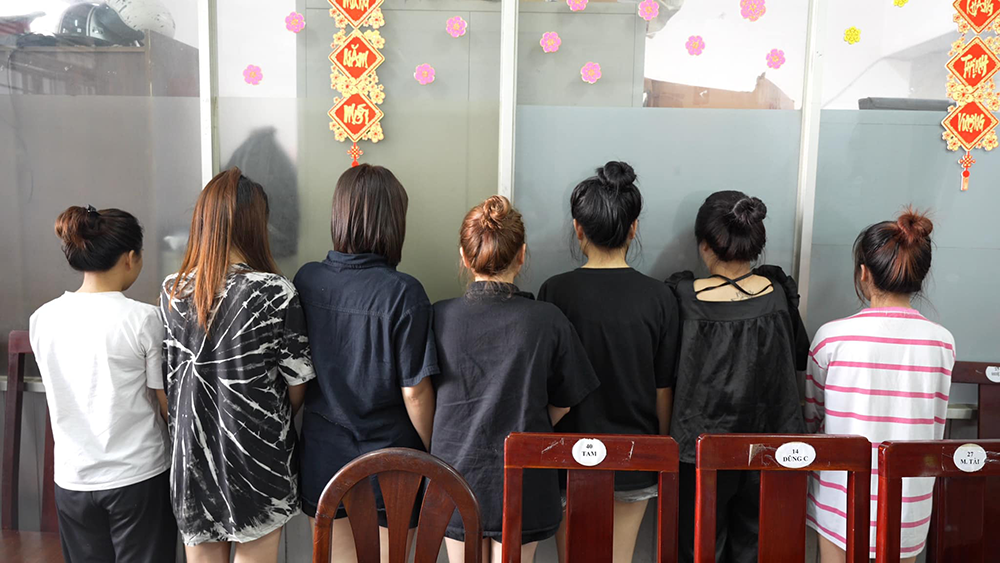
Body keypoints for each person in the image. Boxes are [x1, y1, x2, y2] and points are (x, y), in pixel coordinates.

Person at [431, 195, 600, 563]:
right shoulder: (547, 320)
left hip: (455, 474)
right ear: (522, 255)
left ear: (464, 257)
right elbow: (566, 400)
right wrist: (529, 423)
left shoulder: (439, 318)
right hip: (526, 476)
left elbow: (424, 395)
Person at [161, 168, 315, 562]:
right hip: (258, 456)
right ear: (255, 225)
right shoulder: (275, 292)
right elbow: (297, 387)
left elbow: (169, 377)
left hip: (191, 457)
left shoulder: (172, 291)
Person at [294, 164, 438, 563]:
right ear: (393, 222)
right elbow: (415, 392)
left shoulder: (307, 280)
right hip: (391, 463)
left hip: (324, 459)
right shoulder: (403, 293)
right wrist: (435, 450)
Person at [538, 161, 679, 563]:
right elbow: (663, 390)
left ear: (578, 229)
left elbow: (545, 386)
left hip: (566, 454)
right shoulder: (659, 298)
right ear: (633, 229)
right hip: (635, 455)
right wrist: (661, 456)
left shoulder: (555, 292)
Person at [805, 209, 954, 563]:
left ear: (864, 273)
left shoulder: (831, 339)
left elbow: (813, 419)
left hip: (840, 495)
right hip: (909, 498)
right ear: (919, 275)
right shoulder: (942, 343)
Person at [667, 191, 809, 563]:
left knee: (698, 551)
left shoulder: (683, 298)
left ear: (704, 245)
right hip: (769, 450)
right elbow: (799, 359)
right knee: (758, 551)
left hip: (698, 452)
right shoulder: (778, 296)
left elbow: (665, 373)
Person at [30, 205, 176, 563]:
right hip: (137, 476)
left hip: (73, 480)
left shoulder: (42, 319)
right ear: (130, 258)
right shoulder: (143, 318)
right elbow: (165, 404)